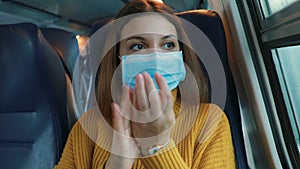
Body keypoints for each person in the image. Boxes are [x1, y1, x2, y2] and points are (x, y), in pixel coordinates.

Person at [54, 0, 235, 168]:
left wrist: (157, 146)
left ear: (182, 54)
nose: (155, 57)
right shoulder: (90, 125)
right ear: (118, 60)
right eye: (138, 46)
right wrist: (118, 162)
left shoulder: (210, 121)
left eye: (168, 45)